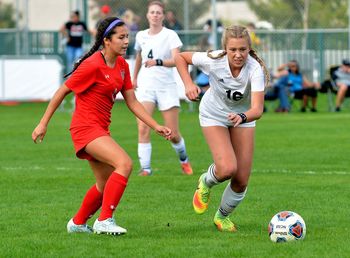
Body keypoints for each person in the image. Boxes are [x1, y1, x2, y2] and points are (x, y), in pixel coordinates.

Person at [32, 17, 172, 235]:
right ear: (107, 40)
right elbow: (62, 91)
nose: (126, 41)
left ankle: (77, 223)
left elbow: (132, 102)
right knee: (124, 164)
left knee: (104, 185)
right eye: (121, 37)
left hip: (99, 129)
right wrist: (43, 123)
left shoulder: (123, 66)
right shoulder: (92, 65)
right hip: (85, 128)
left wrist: (155, 126)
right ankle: (105, 220)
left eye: (127, 37)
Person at [175, 25, 270, 232]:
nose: (238, 55)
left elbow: (258, 109)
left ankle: (222, 217)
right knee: (227, 168)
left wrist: (241, 116)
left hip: (243, 117)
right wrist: (188, 84)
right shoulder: (213, 59)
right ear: (224, 49)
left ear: (249, 48)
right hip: (213, 115)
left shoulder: (255, 69)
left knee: (242, 179)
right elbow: (180, 58)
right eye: (233, 50)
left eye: (243, 50)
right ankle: (206, 181)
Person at [132, 0, 193, 176]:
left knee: (172, 133)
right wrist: (134, 77)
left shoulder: (170, 35)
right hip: (146, 87)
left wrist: (158, 62)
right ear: (147, 15)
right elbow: (138, 57)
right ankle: (146, 169)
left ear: (163, 16)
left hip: (166, 87)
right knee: (143, 127)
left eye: (158, 12)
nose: (155, 15)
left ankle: (184, 159)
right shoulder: (141, 36)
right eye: (152, 12)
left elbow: (177, 60)